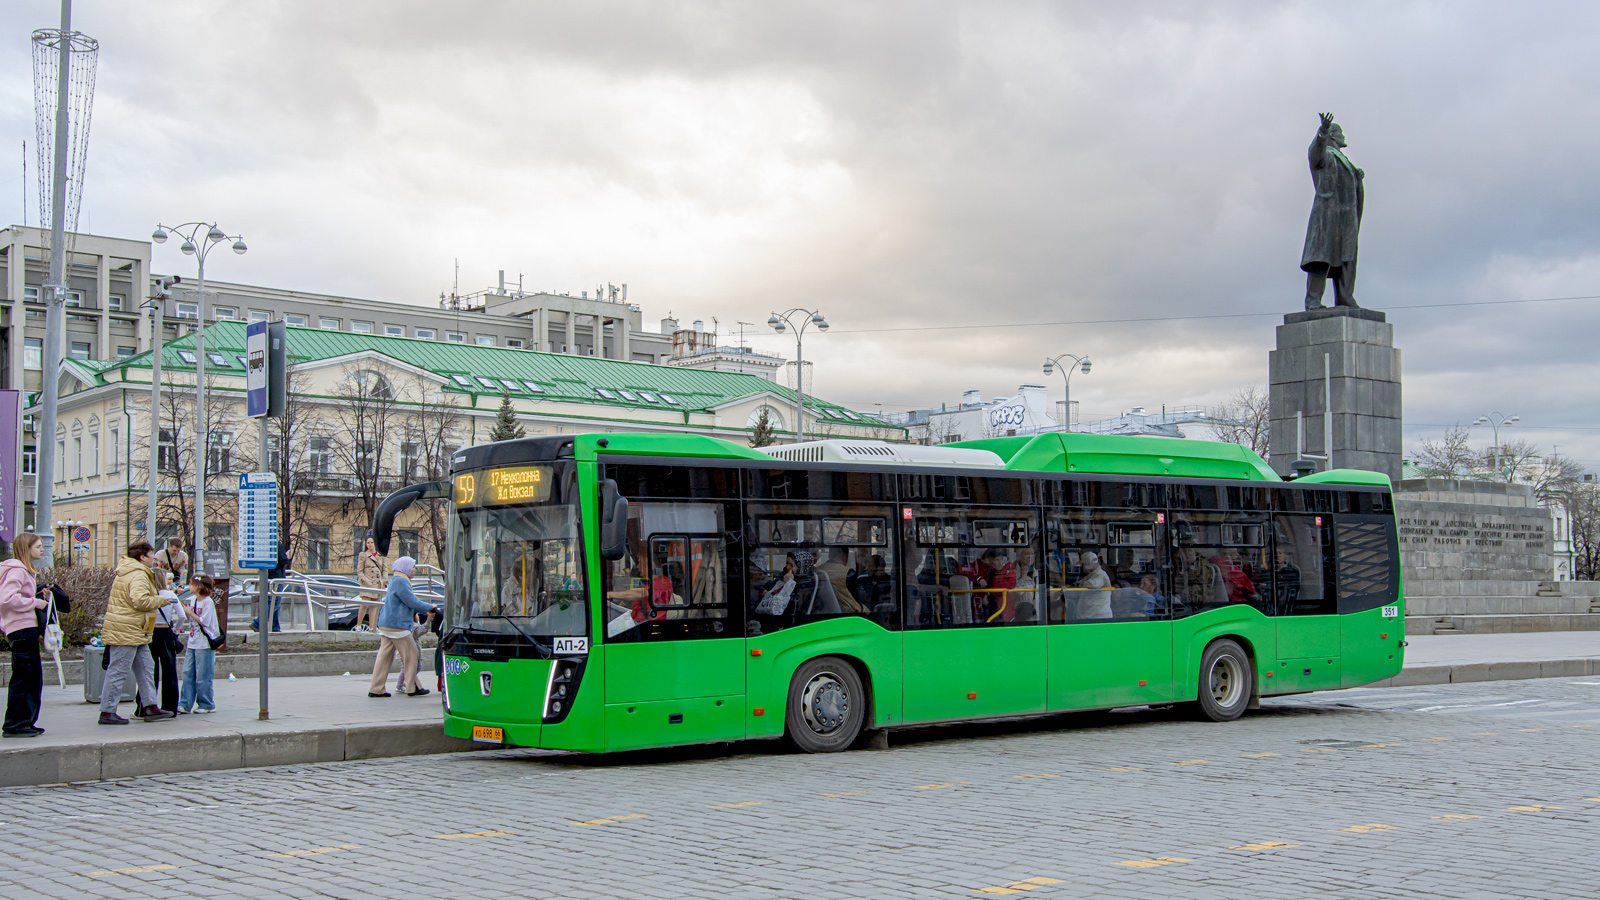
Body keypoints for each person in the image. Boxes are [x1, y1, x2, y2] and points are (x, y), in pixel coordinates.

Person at [101, 541, 176, 724]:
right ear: (142, 557)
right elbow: (140, 601)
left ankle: (150, 707)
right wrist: (160, 600)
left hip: (135, 630)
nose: (154, 559)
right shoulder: (138, 574)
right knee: (118, 670)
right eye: (151, 556)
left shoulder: (129, 571)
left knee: (146, 667)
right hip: (127, 630)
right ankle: (107, 712)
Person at [368, 556, 437, 698]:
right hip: (397, 626)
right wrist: (430, 607)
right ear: (404, 567)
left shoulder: (395, 580)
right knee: (412, 655)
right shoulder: (401, 581)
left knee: (384, 657)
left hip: (386, 624)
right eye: (412, 567)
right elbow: (412, 602)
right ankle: (411, 688)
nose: (414, 570)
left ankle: (376, 688)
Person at [1, 533, 48, 737]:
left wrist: (37, 594)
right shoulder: (18, 570)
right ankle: (15, 724)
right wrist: (36, 602)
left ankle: (25, 722)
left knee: (30, 677)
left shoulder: (23, 571)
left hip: (23, 628)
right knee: (24, 678)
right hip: (21, 629)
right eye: (38, 546)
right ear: (26, 548)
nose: (42, 549)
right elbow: (7, 598)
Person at [178, 574, 219, 714]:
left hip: (204, 644)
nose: (189, 587)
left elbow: (205, 621)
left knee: (203, 675)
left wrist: (189, 612)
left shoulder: (208, 602)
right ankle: (185, 703)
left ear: (199, 586)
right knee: (187, 673)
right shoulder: (193, 600)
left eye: (191, 584)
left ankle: (206, 704)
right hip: (192, 642)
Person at [148, 572, 183, 713]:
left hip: (151, 633)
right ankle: (170, 706)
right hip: (167, 632)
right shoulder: (170, 595)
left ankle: (145, 705)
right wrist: (175, 630)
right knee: (169, 670)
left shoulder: (150, 595)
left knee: (149, 671)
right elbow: (181, 616)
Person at [356, 533, 386, 633]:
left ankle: (372, 627)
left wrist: (384, 580)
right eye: (368, 542)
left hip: (377, 584)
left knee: (374, 605)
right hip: (367, 583)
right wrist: (365, 580)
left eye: (371, 542)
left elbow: (384, 569)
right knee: (365, 604)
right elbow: (359, 571)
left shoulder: (381, 555)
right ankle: (359, 625)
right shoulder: (363, 555)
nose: (369, 544)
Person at [1072, 551, 1112, 620]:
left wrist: (1080, 584)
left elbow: (1094, 585)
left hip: (1098, 617)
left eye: (1083, 565)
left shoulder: (1101, 575)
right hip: (1089, 616)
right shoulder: (1091, 575)